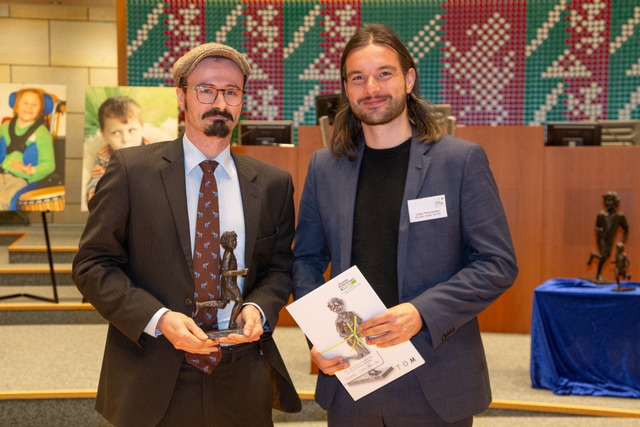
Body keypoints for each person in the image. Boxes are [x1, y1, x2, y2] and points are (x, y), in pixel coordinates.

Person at [292, 24, 518, 426]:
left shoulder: (460, 161)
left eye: (384, 73)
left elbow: (496, 263)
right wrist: (320, 336)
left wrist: (422, 312)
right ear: (346, 88)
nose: (371, 87)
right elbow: (307, 259)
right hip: (352, 379)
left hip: (435, 377)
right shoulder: (325, 167)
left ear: (409, 79)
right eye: (358, 78)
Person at [72, 42, 301, 427]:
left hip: (241, 375)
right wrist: (158, 318)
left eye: (231, 91)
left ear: (242, 100)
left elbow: (279, 268)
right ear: (182, 96)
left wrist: (258, 307)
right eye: (205, 89)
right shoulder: (131, 171)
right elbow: (92, 265)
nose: (220, 102)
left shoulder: (273, 183)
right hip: (152, 368)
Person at [85, 96, 150, 202]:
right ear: (104, 134)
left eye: (132, 130)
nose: (125, 139)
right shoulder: (104, 158)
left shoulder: (155, 150)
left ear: (142, 128)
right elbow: (93, 192)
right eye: (116, 133)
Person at [0, 88, 55, 210]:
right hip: (2, 172)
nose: (29, 107)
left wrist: (31, 171)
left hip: (22, 178)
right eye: (25, 102)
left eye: (35, 104)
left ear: (40, 109)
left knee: (2, 201)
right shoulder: (4, 127)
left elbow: (49, 164)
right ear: (16, 105)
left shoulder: (42, 134)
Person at [587, 191, 629, 282]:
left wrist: (622, 240)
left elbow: (626, 229)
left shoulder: (619, 216)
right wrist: (599, 231)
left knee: (606, 256)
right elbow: (596, 226)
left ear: (615, 202)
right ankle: (598, 275)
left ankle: (594, 255)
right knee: (604, 255)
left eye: (610, 201)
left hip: (610, 239)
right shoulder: (601, 215)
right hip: (601, 238)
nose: (608, 203)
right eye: (606, 201)